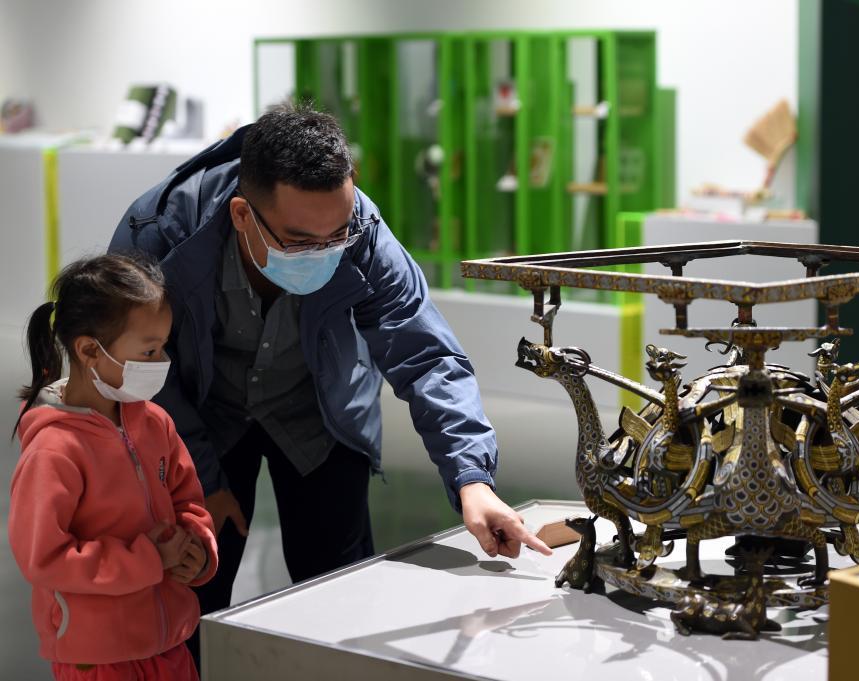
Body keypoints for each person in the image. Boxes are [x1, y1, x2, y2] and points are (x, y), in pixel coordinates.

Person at [110, 105, 552, 662]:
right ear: (243, 214)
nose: (320, 251)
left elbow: (426, 354)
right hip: (202, 417)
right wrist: (197, 473)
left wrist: (472, 479)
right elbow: (139, 367)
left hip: (321, 414)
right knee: (193, 595)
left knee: (343, 594)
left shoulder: (362, 229)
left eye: (334, 236)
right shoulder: (162, 230)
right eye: (298, 241)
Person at [8, 254, 218, 681]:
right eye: (149, 350)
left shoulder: (155, 422)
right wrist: (149, 560)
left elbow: (189, 502)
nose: (161, 361)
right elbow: (44, 558)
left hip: (171, 644)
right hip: (98, 659)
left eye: (163, 346)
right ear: (89, 350)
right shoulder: (54, 450)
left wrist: (198, 550)